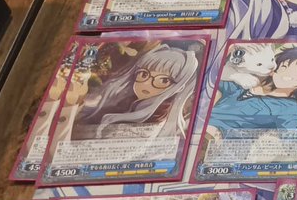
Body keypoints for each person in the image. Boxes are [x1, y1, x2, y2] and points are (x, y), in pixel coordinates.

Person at [68, 44, 201, 141]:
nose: (147, 83)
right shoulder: (128, 100)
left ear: (178, 87)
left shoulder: (154, 119)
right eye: (143, 74)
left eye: (163, 80)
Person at [205, 46, 297, 140]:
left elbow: (294, 142)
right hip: (201, 126)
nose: (287, 72)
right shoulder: (243, 85)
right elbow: (212, 79)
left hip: (221, 139)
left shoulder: (288, 108)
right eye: (284, 65)